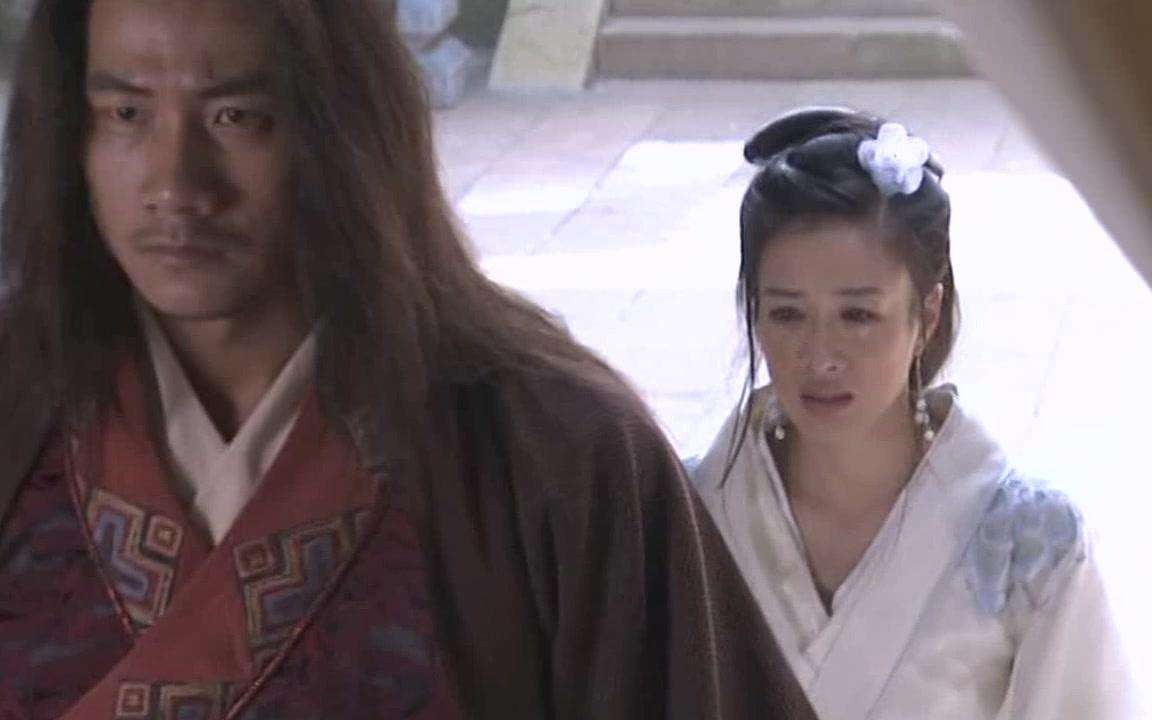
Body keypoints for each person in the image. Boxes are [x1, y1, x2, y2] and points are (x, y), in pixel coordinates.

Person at [0, 2, 816, 718]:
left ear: (342, 129)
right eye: (125, 114)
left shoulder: (553, 451)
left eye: (236, 116)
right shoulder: (20, 406)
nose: (175, 185)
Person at [690, 107, 1142, 719]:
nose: (819, 356)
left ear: (926, 315)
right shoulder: (691, 512)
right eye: (787, 314)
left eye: (857, 315)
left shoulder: (1027, 543)